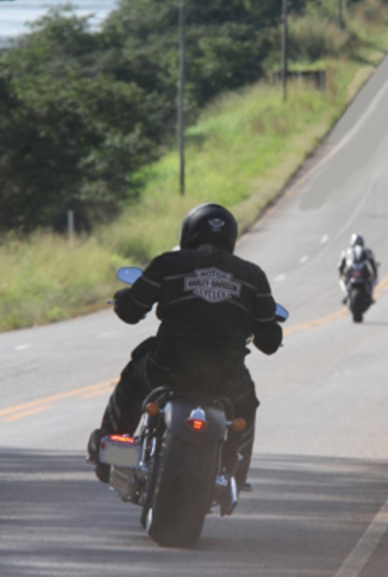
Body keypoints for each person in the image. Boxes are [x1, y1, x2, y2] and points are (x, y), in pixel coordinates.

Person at [87, 203, 283, 489]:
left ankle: (113, 456)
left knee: (133, 379)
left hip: (167, 365)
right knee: (246, 404)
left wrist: (124, 299)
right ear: (231, 237)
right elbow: (270, 342)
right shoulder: (252, 276)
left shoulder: (168, 264)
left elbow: (130, 312)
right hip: (226, 375)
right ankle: (232, 475)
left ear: (188, 233)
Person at [338, 234, 379, 302]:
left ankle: (345, 294)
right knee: (372, 280)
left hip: (352, 270)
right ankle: (369, 295)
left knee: (342, 280)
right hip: (359, 270)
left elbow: (340, 266)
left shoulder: (346, 251)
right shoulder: (367, 250)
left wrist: (341, 274)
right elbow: (373, 264)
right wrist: (375, 275)